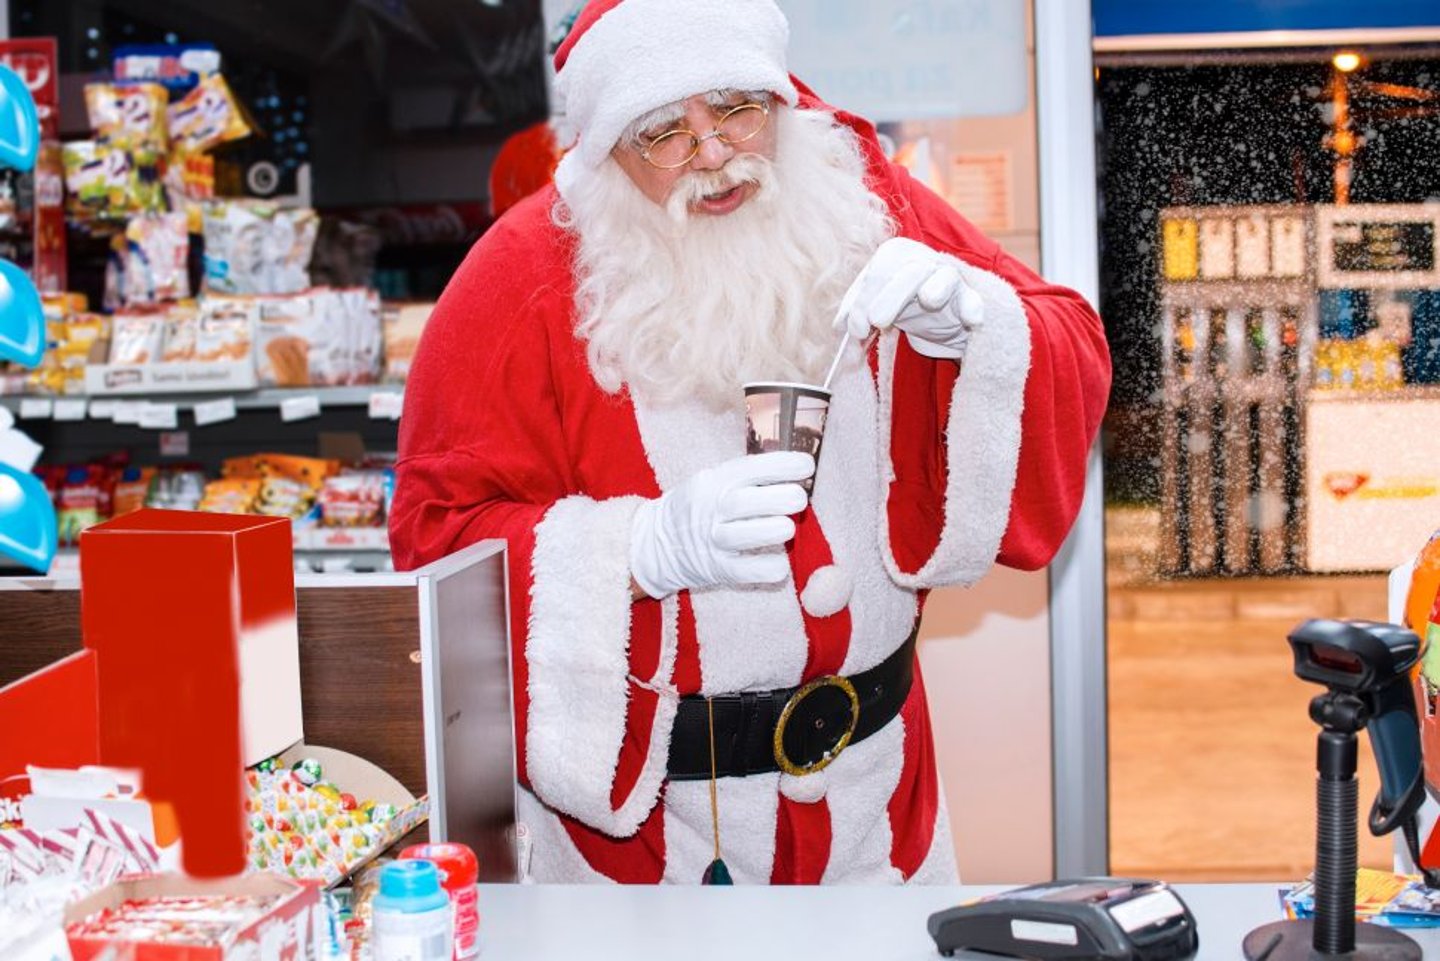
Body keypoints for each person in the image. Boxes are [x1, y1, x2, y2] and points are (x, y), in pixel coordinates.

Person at [389, 0, 1110, 885]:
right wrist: (637, 552)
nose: (715, 154)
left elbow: (1067, 337)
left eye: (737, 108)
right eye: (664, 133)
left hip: (880, 812)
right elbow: (434, 540)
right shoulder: (522, 270)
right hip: (654, 844)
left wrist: (975, 327)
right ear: (606, 153)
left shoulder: (857, 194)